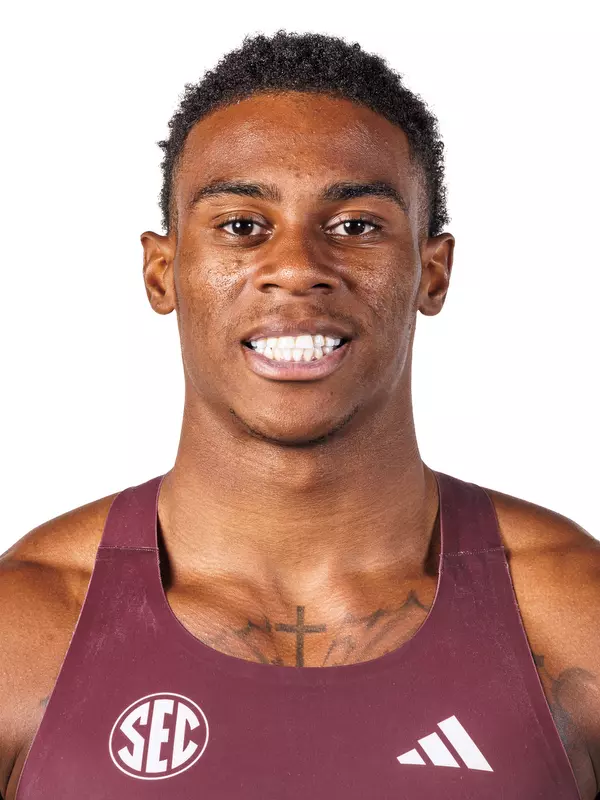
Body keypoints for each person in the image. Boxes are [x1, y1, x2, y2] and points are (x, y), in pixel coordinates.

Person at [0, 30, 598, 800]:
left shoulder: (572, 610)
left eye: (355, 226)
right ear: (162, 270)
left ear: (432, 271)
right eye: (242, 226)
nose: (297, 268)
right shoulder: (26, 627)